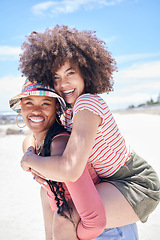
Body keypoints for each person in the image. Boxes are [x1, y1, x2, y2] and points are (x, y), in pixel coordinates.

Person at [16, 25, 160, 238]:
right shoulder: (66, 112)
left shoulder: (87, 104)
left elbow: (71, 169)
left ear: (86, 72)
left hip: (134, 182)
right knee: (49, 199)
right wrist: (33, 153)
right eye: (56, 77)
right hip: (108, 182)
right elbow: (34, 135)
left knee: (66, 219)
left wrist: (29, 161)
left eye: (70, 73)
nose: (63, 84)